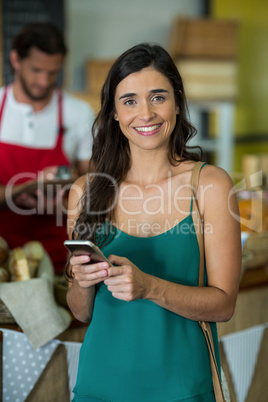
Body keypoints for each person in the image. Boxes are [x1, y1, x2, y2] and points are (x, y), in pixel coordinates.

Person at [66, 43, 241, 401]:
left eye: (157, 97)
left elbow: (224, 306)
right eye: (129, 101)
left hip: (181, 388)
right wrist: (82, 283)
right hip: (99, 387)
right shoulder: (86, 191)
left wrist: (149, 287)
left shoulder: (209, 185)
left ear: (177, 101)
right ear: (114, 112)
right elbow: (81, 313)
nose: (145, 113)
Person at [0, 22, 95, 273]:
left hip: (55, 256)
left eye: (53, 72)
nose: (44, 81)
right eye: (36, 70)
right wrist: (18, 192)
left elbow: (95, 190)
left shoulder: (78, 113)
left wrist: (62, 202)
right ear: (15, 60)